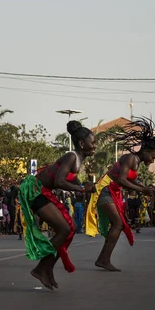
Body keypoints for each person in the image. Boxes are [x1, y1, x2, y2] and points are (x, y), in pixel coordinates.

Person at [19, 121, 95, 289]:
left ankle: (47, 268)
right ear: (82, 144)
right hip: (35, 191)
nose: (95, 146)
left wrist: (87, 187)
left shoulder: (78, 161)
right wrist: (81, 187)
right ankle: (41, 268)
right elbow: (59, 181)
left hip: (44, 192)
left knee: (71, 227)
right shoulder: (71, 157)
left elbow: (75, 183)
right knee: (65, 229)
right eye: (93, 142)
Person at [86, 117, 155, 272]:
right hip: (105, 191)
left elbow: (125, 182)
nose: (152, 161)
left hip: (111, 192)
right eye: (152, 157)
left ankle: (103, 259)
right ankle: (103, 259)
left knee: (117, 224)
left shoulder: (136, 161)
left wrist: (141, 187)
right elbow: (121, 179)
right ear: (145, 151)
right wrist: (142, 190)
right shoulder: (131, 158)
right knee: (118, 224)